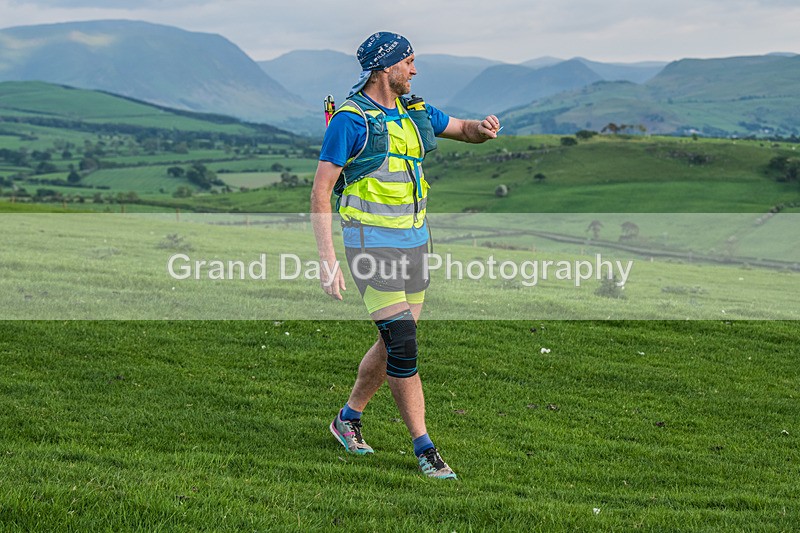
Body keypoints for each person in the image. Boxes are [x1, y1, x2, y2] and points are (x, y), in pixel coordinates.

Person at [310, 31, 500, 480]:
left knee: (394, 340)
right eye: (409, 62)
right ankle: (425, 448)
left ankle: (348, 418)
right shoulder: (350, 120)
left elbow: (462, 130)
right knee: (404, 345)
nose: (414, 70)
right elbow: (320, 193)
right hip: (369, 246)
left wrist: (483, 130)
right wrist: (326, 258)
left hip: (416, 243)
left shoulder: (417, 112)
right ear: (385, 67)